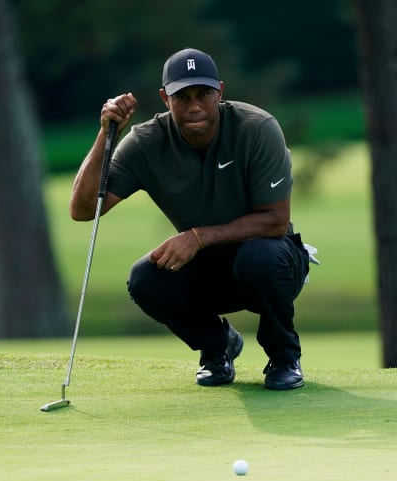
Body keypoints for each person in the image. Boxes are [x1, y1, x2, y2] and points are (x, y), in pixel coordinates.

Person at [70, 48, 311, 390]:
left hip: (273, 261)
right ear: (165, 98)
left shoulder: (257, 128)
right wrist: (107, 134)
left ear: (220, 92)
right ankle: (217, 346)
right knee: (145, 279)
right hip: (207, 269)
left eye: (204, 94)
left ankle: (284, 357)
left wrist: (197, 237)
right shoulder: (146, 141)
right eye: (182, 97)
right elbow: (83, 210)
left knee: (259, 257)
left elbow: (275, 221)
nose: (194, 105)